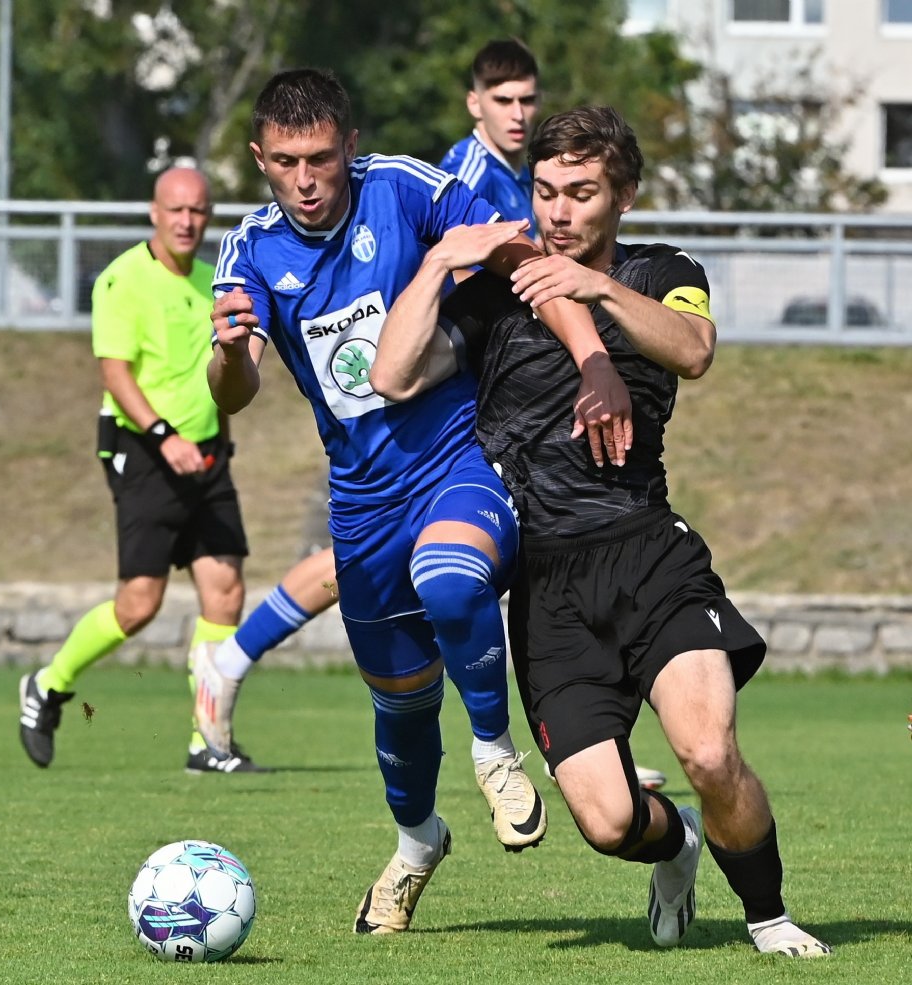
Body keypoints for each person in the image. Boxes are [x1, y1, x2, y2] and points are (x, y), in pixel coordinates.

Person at [371, 105, 830, 958]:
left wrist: (597, 289)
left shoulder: (664, 270)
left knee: (707, 748)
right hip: (546, 585)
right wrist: (439, 260)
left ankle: (768, 916)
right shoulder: (496, 294)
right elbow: (392, 374)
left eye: (581, 193)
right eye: (546, 192)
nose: (559, 212)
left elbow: (693, 349)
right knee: (612, 821)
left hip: (649, 552)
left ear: (623, 195)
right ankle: (679, 844)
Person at [205, 67, 633, 934]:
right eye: (286, 162)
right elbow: (233, 391)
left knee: (449, 575)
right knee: (399, 713)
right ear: (260, 159)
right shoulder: (248, 249)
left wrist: (594, 361)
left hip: (456, 460)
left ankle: (495, 747)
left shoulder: (403, 188)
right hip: (360, 503)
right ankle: (416, 843)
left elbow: (525, 260)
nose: (307, 179)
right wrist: (227, 352)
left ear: (350, 147)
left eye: (322, 157)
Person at [18, 166, 263, 775]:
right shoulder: (123, 279)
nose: (187, 221)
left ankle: (206, 739)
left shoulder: (214, 282)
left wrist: (219, 441)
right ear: (154, 212)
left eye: (199, 211)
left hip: (206, 454)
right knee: (139, 604)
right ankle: (49, 684)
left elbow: (220, 374)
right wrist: (163, 435)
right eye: (176, 209)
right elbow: (115, 374)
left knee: (225, 590)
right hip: (143, 450)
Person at [439, 38, 540, 227]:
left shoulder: (527, 175)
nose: (518, 115)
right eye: (503, 101)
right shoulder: (468, 175)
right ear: (474, 104)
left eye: (527, 100)